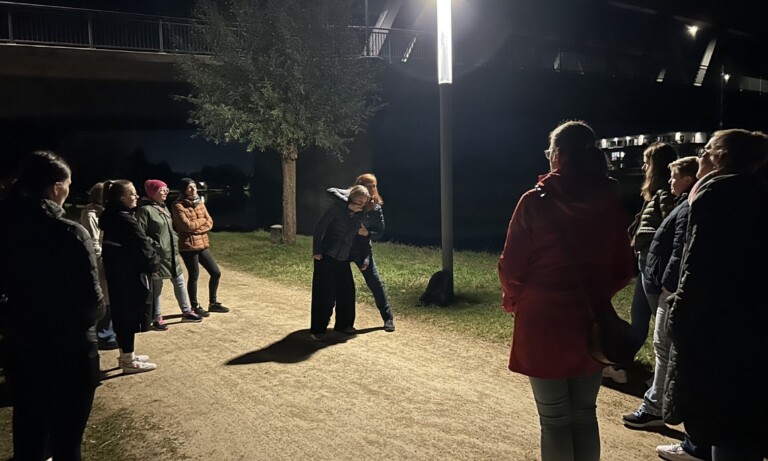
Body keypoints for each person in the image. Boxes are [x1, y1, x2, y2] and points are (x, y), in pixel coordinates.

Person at [498, 121, 634, 461]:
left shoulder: (534, 201)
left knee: (555, 419)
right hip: (591, 317)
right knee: (585, 414)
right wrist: (596, 294)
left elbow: (511, 267)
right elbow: (623, 268)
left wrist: (514, 301)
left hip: (542, 319)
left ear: (558, 155)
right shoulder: (609, 199)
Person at [664, 129, 768, 461]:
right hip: (751, 321)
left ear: (721, 157)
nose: (701, 157)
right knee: (741, 420)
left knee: (722, 418)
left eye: (707, 150)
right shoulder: (757, 191)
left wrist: (680, 313)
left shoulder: (717, 194)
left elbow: (698, 265)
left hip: (718, 324)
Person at [0, 150, 104, 460]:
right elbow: (92, 304)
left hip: (21, 345)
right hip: (70, 351)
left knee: (29, 435)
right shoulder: (69, 232)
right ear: (56, 187)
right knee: (67, 442)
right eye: (69, 184)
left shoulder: (5, 227)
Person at [652, 154, 716, 461]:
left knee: (677, 356)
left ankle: (692, 440)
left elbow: (684, 250)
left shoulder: (708, 198)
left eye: (709, 153)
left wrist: (669, 286)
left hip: (683, 292)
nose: (670, 181)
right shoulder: (700, 196)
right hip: (689, 292)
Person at [605, 142, 678, 384]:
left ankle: (664, 376)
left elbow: (673, 228)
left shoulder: (666, 194)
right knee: (639, 319)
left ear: (656, 166)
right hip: (645, 262)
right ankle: (620, 364)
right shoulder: (655, 193)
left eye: (647, 163)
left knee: (661, 321)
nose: (643, 166)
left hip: (654, 264)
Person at [100, 180, 161, 374]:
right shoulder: (124, 219)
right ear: (121, 198)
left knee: (121, 312)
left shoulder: (110, 216)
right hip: (128, 275)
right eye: (132, 194)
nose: (136, 196)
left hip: (118, 273)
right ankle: (127, 360)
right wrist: (155, 263)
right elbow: (143, 246)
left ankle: (127, 354)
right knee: (128, 314)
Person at [326, 173, 394, 332]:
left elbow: (380, 232)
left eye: (375, 185)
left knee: (375, 282)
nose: (373, 189)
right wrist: (350, 204)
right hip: (343, 248)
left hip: (363, 250)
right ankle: (341, 323)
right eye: (369, 185)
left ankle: (388, 317)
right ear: (360, 185)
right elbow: (330, 191)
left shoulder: (375, 207)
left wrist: (368, 233)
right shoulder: (350, 197)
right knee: (343, 286)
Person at [135, 179, 203, 329]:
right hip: (158, 255)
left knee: (179, 281)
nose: (166, 192)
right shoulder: (145, 210)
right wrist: (156, 245)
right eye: (162, 190)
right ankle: (157, 317)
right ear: (153, 192)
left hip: (171, 254)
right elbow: (139, 234)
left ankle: (186, 312)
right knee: (157, 286)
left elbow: (170, 229)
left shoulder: (163, 208)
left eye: (166, 189)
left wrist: (175, 238)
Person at [310, 185, 370, 340]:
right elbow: (320, 227)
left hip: (343, 259)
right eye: (358, 200)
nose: (360, 204)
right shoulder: (337, 208)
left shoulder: (360, 217)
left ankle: (344, 325)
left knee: (347, 292)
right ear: (351, 198)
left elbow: (361, 241)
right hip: (326, 256)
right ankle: (318, 330)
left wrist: (365, 258)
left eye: (363, 202)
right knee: (324, 294)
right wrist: (316, 250)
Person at [172, 177, 229, 315]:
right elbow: (186, 226)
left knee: (216, 272)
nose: (193, 189)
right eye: (189, 187)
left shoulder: (200, 203)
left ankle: (213, 303)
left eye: (194, 186)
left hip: (202, 244)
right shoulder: (177, 205)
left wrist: (198, 226)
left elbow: (210, 222)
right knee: (194, 275)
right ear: (183, 190)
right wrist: (201, 223)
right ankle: (195, 306)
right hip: (188, 246)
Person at [81, 181, 119, 350]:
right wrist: (103, 259)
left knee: (112, 296)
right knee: (105, 296)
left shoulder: (106, 212)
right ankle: (104, 334)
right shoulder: (90, 214)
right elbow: (93, 241)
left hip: (110, 258)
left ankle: (109, 331)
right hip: (101, 261)